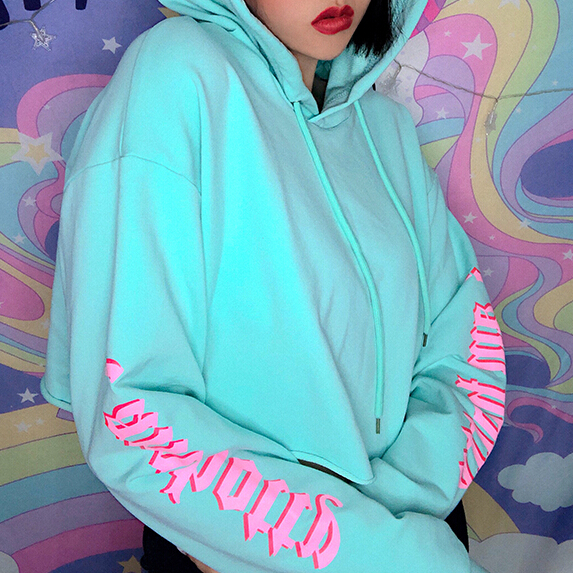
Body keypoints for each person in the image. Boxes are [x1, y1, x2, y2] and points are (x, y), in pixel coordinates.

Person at [40, 0, 507, 572]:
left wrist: (388, 532)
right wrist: (364, 549)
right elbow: (132, 405)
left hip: (411, 535)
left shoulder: (386, 129)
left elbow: (464, 344)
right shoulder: (176, 76)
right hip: (240, 546)